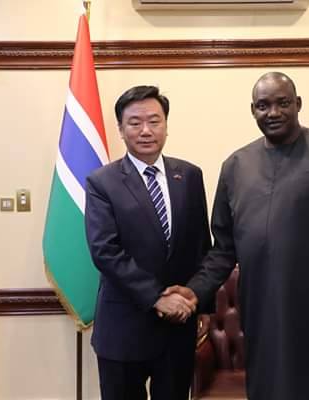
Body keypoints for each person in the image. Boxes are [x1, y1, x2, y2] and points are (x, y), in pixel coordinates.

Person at [167, 72, 309, 399]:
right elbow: (223, 249)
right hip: (264, 321)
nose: (273, 112)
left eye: (282, 103)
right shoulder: (235, 166)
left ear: (298, 104)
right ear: (253, 110)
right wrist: (194, 292)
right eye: (263, 106)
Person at [84, 85, 211, 400]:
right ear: (121, 130)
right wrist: (157, 297)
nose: (145, 131)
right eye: (135, 122)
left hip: (178, 326)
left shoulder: (190, 175)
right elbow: (105, 251)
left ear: (166, 126)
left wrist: (202, 304)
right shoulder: (102, 182)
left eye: (154, 121)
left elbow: (200, 246)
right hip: (124, 327)